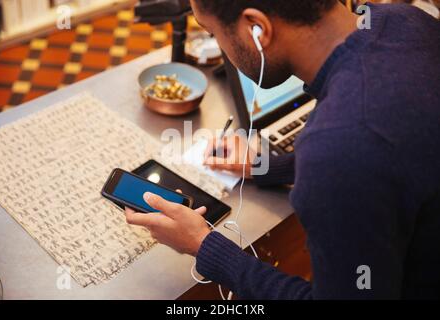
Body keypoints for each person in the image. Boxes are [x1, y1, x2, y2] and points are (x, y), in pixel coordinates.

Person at [125, 0, 440, 299]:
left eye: (213, 33)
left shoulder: (338, 150)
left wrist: (203, 245)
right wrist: (264, 166)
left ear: (256, 28)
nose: (219, 47)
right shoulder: (408, 21)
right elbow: (392, 145)